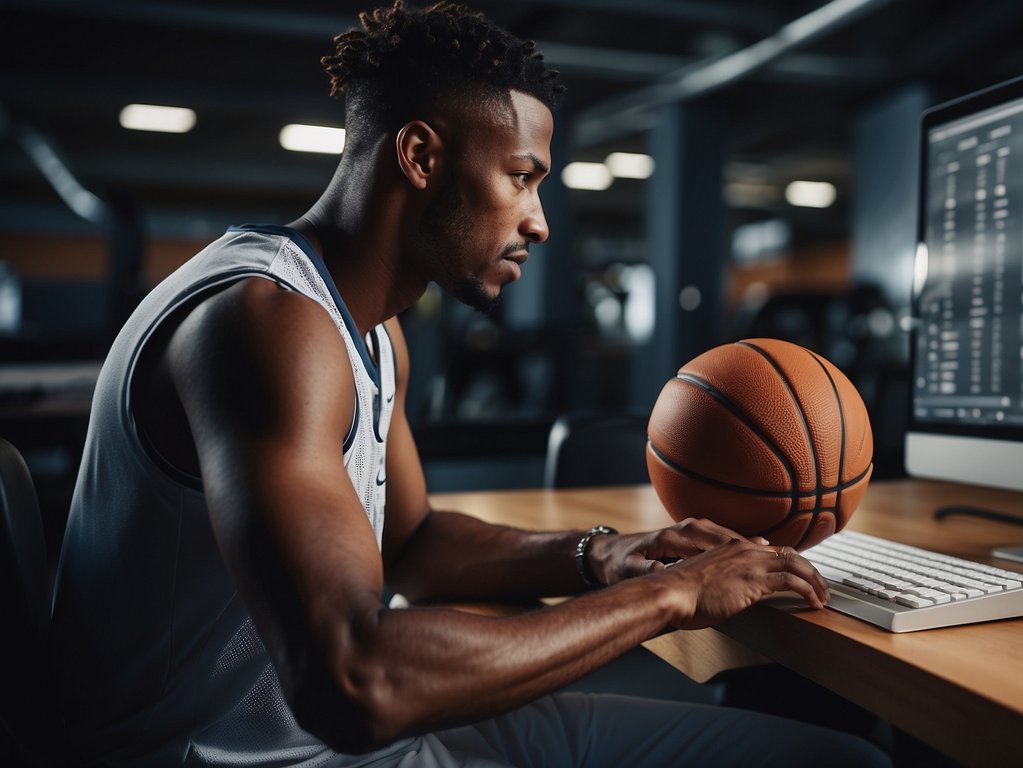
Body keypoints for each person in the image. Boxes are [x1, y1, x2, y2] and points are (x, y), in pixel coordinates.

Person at [49, 3, 893, 766]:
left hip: (341, 742)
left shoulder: (370, 331)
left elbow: (411, 545)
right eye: (522, 177)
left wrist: (600, 555)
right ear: (419, 156)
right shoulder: (268, 322)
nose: (540, 219)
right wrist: (671, 594)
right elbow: (354, 684)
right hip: (254, 755)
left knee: (844, 762)